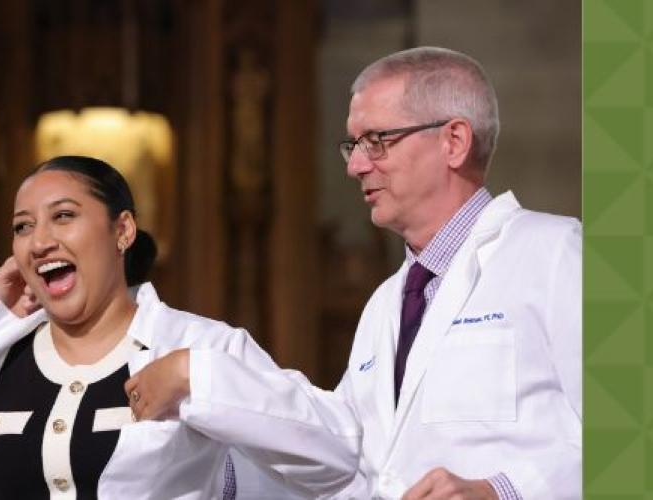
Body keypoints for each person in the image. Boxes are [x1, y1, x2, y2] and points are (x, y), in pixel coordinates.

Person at [128, 47, 582, 499]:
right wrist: (211, 470)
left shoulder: (556, 252)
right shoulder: (387, 302)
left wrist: (501, 492)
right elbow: (351, 468)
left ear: (454, 141)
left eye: (377, 141)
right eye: (354, 144)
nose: (355, 165)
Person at [0, 156, 326, 499]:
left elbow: (326, 454)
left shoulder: (202, 347)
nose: (41, 241)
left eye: (63, 216)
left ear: (123, 231)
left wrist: (196, 376)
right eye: (23, 227)